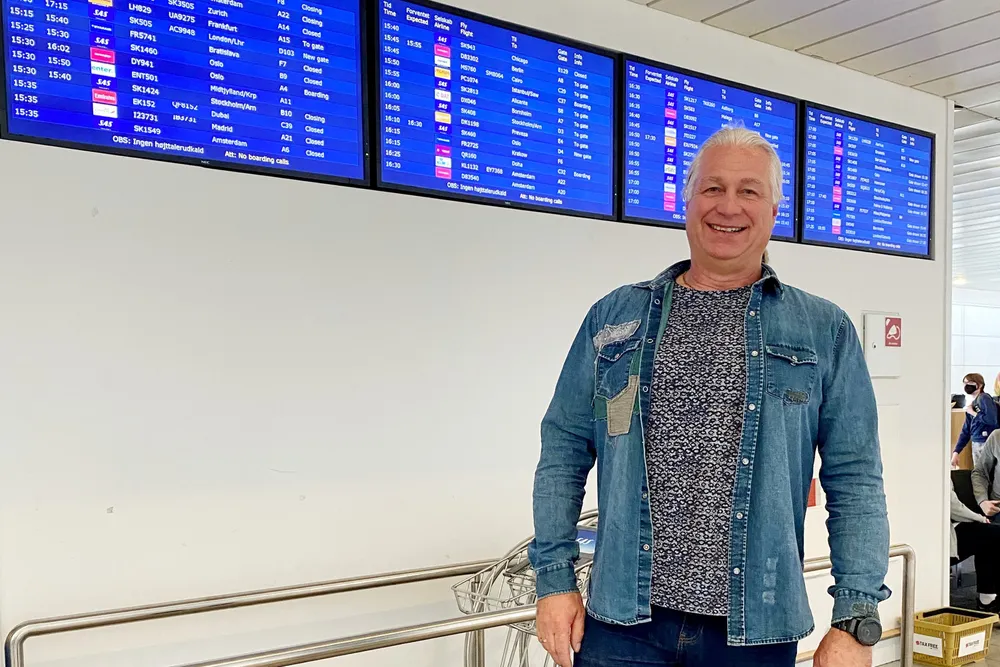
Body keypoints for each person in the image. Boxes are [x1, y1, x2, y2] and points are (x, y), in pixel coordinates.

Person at [529, 126, 889, 667]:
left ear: (773, 211)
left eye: (749, 191)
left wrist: (855, 620)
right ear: (687, 201)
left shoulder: (824, 330)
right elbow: (562, 449)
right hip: (621, 625)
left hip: (755, 629)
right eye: (713, 188)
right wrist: (554, 581)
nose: (728, 206)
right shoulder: (614, 316)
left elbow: (855, 478)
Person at [951, 478, 1000, 612]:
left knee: (988, 536)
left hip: (947, 527)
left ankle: (987, 600)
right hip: (940, 537)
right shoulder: (937, 472)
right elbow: (952, 507)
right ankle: (987, 600)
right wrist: (980, 517)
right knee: (991, 535)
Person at [952, 373, 999, 469]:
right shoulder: (972, 405)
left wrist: (974, 413)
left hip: (986, 442)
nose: (967, 385)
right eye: (965, 383)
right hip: (977, 443)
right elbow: (966, 430)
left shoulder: (984, 398)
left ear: (980, 385)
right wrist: (956, 451)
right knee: (980, 473)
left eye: (970, 383)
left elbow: (992, 420)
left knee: (984, 474)